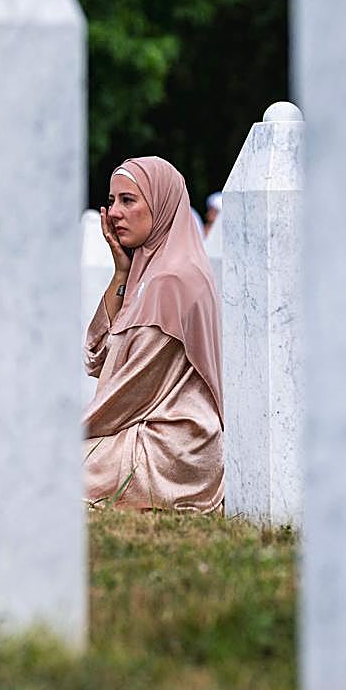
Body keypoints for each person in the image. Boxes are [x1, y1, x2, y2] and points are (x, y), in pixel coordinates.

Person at [83, 157, 224, 512]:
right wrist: (121, 274)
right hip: (145, 432)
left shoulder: (172, 280)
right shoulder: (150, 274)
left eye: (128, 200)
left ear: (161, 205)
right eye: (112, 201)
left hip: (172, 447)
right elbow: (97, 356)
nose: (115, 213)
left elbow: (126, 393)